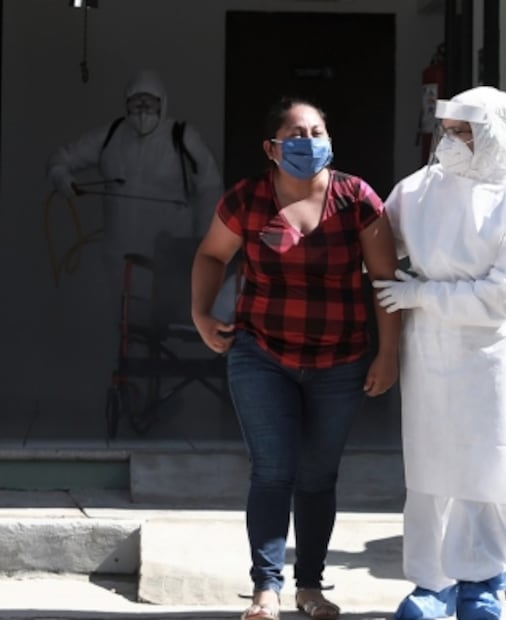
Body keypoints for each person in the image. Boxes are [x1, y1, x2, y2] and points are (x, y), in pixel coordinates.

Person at [190, 97, 400, 620]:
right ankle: (266, 588)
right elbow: (212, 254)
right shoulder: (248, 198)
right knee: (272, 470)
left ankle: (310, 586)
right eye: (297, 133)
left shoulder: (357, 199)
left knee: (317, 476)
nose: (310, 142)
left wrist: (388, 353)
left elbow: (385, 281)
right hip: (261, 352)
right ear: (272, 147)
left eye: (318, 131)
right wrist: (199, 313)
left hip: (341, 359)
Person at [372, 86, 506, 620]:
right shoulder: (418, 189)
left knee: (488, 465)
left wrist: (421, 295)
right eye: (447, 130)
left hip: (493, 352)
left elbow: (504, 292)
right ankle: (432, 584)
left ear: (492, 135)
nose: (451, 141)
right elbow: (380, 239)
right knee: (430, 468)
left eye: (464, 131)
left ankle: (484, 581)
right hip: (429, 348)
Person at [47, 68, 223, 267]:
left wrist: (202, 243)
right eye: (136, 103)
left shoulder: (182, 137)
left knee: (166, 297)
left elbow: (210, 188)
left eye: (150, 103)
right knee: (117, 297)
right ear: (126, 103)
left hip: (169, 260)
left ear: (162, 103)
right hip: (117, 258)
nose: (142, 110)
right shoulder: (110, 135)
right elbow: (61, 158)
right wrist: (62, 178)